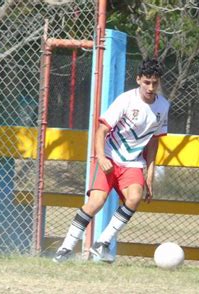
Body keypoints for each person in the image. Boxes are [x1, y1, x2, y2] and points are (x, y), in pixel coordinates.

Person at [53, 58, 169, 263]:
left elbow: (153, 142)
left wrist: (149, 175)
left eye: (155, 83)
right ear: (138, 80)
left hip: (133, 163)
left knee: (135, 197)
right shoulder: (125, 100)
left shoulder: (162, 106)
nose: (151, 87)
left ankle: (101, 244)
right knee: (95, 203)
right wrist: (101, 157)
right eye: (146, 82)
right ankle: (65, 249)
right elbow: (102, 130)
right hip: (110, 157)